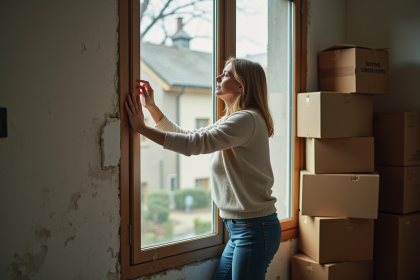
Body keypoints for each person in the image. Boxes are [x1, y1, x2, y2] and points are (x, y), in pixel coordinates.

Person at [125, 57, 281, 280]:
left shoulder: (246, 119)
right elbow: (189, 136)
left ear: (241, 85)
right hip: (242, 230)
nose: (218, 77)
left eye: (226, 74)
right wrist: (151, 107)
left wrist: (141, 128)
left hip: (254, 229)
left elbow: (193, 145)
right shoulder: (233, 119)